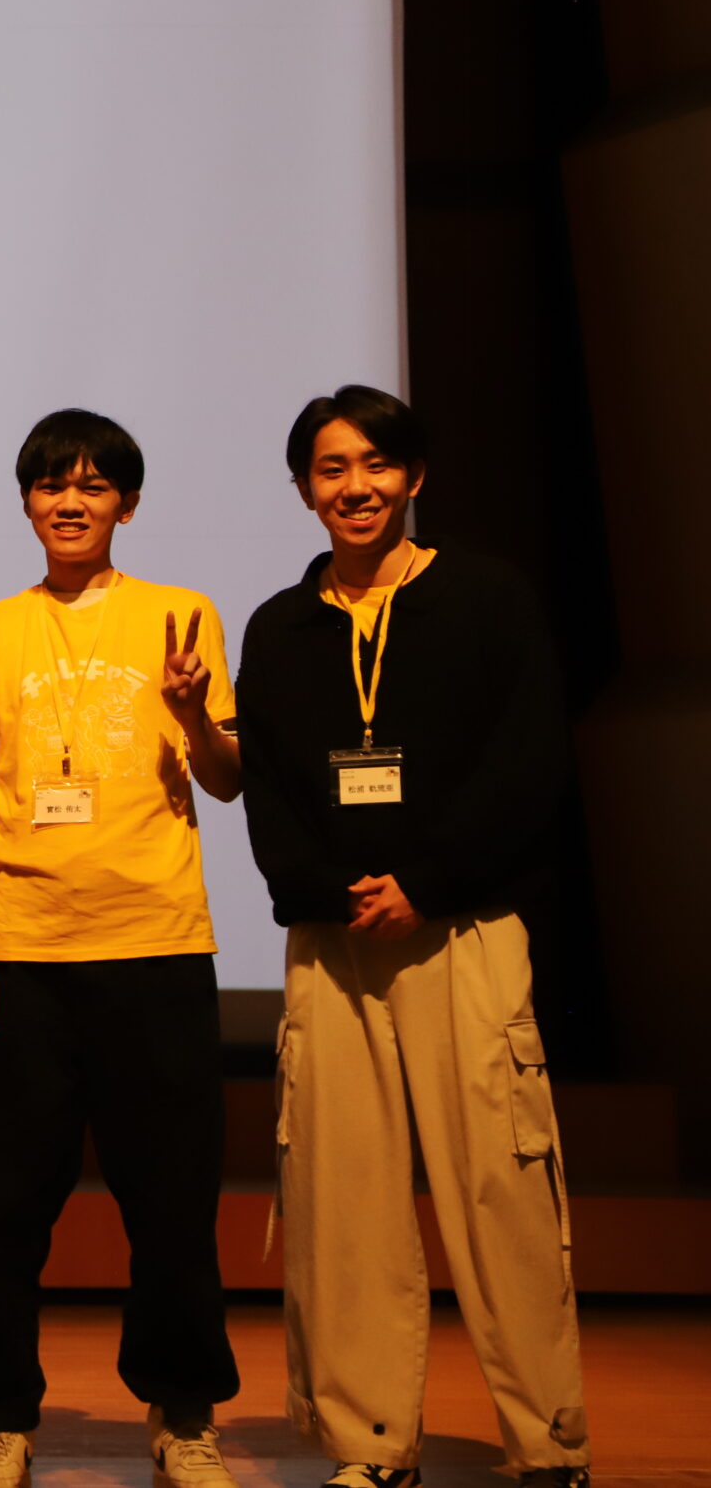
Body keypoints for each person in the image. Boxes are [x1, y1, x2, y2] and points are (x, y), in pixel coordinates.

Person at [236, 385, 589, 1488]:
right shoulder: (279, 626)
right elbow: (269, 791)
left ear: (414, 476)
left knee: (500, 1192)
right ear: (304, 488)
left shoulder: (486, 598)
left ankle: (548, 1444)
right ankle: (370, 1443)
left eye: (376, 464)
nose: (356, 487)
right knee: (343, 1200)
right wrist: (329, 890)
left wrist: (426, 883)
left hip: (462, 930)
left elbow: (529, 763)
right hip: (334, 942)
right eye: (331, 468)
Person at [0, 410, 243, 1488]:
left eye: (94, 485)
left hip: (156, 947)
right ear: (27, 502)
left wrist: (194, 716)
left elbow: (226, 778)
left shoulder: (181, 615)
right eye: (52, 484)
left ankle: (182, 1412)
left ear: (128, 502)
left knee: (172, 1204)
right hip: (21, 955)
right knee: (7, 1208)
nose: (71, 501)